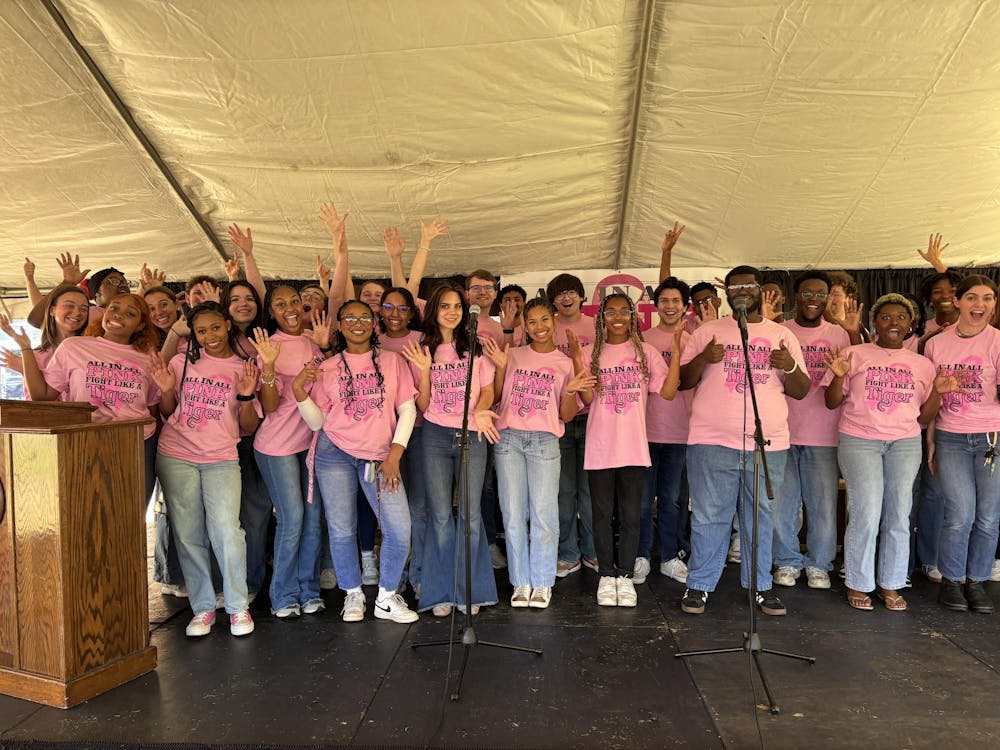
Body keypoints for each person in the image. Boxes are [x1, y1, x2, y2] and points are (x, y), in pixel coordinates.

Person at [678, 266, 810, 617]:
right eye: (735, 285)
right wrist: (705, 358)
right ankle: (700, 584)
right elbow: (682, 382)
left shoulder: (781, 335)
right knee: (709, 515)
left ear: (759, 290)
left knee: (760, 515)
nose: (742, 291)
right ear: (726, 293)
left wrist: (791, 367)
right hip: (710, 440)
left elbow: (801, 390)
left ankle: (760, 586)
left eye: (749, 285)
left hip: (766, 444)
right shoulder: (707, 332)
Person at [824, 293, 957, 611]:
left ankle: (891, 583)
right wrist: (840, 375)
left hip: (905, 442)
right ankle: (858, 582)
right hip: (860, 440)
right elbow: (830, 402)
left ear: (911, 323)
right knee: (866, 512)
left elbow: (923, 419)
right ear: (875, 323)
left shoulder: (922, 364)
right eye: (886, 317)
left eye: (901, 317)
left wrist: (937, 394)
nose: (893, 323)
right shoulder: (854, 354)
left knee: (899, 514)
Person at [294, 300, 420, 623]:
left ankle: (387, 596)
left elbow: (407, 410)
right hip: (333, 452)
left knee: (399, 526)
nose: (358, 322)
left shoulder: (392, 362)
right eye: (350, 317)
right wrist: (299, 392)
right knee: (340, 528)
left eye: (365, 317)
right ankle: (352, 593)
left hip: (379, 455)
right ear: (340, 324)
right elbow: (317, 422)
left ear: (374, 323)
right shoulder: (328, 365)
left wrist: (395, 454)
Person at [150, 302, 260, 637]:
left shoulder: (244, 366)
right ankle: (202, 608)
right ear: (193, 334)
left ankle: (238, 606)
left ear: (227, 324)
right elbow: (168, 413)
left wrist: (244, 396)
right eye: (201, 331)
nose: (209, 336)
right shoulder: (180, 362)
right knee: (188, 535)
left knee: (228, 531)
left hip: (221, 457)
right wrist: (167, 390)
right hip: (175, 454)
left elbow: (249, 427)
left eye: (215, 327)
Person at [482, 299, 595, 608]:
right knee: (513, 513)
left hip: (545, 441)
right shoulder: (512, 354)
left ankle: (543, 582)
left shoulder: (564, 362)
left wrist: (571, 390)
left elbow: (567, 414)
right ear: (525, 326)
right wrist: (502, 368)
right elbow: (495, 395)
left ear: (554, 322)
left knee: (544, 514)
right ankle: (521, 582)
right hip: (509, 439)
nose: (539, 326)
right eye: (531, 321)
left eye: (544, 319)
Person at [401, 284, 499, 616]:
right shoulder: (421, 349)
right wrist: (426, 371)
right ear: (434, 311)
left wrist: (482, 411)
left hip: (473, 434)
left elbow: (486, 391)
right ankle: (441, 590)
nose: (452, 311)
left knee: (471, 516)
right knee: (440, 515)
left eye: (457, 305)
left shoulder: (476, 347)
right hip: (435, 435)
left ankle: (468, 590)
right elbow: (424, 405)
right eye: (445, 306)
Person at [582, 292, 681, 607]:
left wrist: (676, 354)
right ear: (601, 318)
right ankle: (606, 575)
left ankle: (625, 576)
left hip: (634, 447)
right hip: (599, 446)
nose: (618, 317)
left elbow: (667, 392)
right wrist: (575, 362)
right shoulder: (590, 353)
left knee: (630, 516)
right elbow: (585, 401)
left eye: (624, 311)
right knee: (601, 515)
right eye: (610, 312)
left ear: (633, 316)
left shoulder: (647, 353)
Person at [10, 293, 162, 498]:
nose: (118, 315)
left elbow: (153, 407)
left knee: (132, 515)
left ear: (141, 325)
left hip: (137, 442)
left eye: (130, 313)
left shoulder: (149, 357)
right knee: (88, 510)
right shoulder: (74, 346)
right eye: (114, 308)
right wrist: (26, 349)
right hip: (86, 440)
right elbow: (41, 396)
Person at [251, 284, 332, 619]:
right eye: (280, 304)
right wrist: (269, 367)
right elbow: (270, 407)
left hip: (311, 444)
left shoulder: (317, 342)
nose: (290, 308)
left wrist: (327, 347)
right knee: (293, 517)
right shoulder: (268, 348)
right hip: (277, 446)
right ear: (270, 311)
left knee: (313, 518)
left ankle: (309, 590)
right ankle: (283, 595)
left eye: (295, 301)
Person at [771, 271, 853, 590]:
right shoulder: (780, 332)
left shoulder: (839, 335)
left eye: (820, 293)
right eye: (807, 293)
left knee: (822, 506)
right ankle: (788, 561)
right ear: (796, 296)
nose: (813, 299)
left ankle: (819, 563)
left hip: (823, 433)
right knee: (783, 505)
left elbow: (842, 383)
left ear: (827, 297)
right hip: (783, 432)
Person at [924, 275, 1000, 613]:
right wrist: (931, 439)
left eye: (987, 298)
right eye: (971, 298)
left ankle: (978, 581)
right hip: (951, 435)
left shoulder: (997, 341)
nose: (979, 305)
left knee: (987, 517)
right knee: (959, 514)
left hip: (991, 438)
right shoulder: (937, 344)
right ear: (957, 302)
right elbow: (930, 396)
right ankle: (952, 581)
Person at [636, 277, 693, 584]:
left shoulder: (695, 339)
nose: (670, 306)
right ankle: (642, 555)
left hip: (680, 433)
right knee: (643, 500)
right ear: (655, 305)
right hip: (645, 432)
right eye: (664, 301)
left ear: (685, 306)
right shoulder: (643, 340)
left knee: (671, 500)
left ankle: (670, 557)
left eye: (676, 301)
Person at [221, 279, 274, 600]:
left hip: (261, 438)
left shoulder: (265, 339)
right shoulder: (208, 342)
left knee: (256, 514)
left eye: (249, 298)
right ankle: (224, 584)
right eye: (235, 299)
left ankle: (252, 584)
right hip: (219, 441)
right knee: (226, 519)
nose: (243, 303)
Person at [546, 273, 598, 577]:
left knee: (590, 492)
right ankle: (568, 552)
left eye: (571, 292)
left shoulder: (596, 326)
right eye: (559, 294)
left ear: (581, 296)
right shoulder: (547, 327)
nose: (566, 298)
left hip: (593, 418)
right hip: (560, 418)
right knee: (564, 492)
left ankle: (592, 550)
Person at [377, 286, 427, 595]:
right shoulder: (373, 343)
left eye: (402, 308)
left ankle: (418, 571)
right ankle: (394, 575)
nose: (395, 314)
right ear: (380, 311)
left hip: (419, 431)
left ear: (412, 311)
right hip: (383, 437)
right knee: (391, 508)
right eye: (389, 307)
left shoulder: (422, 340)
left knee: (419, 506)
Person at [0, 283, 89, 389]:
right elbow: (35, 399)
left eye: (83, 309)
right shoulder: (35, 356)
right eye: (69, 305)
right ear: (52, 310)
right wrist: (26, 353)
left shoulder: (91, 350)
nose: (77, 312)